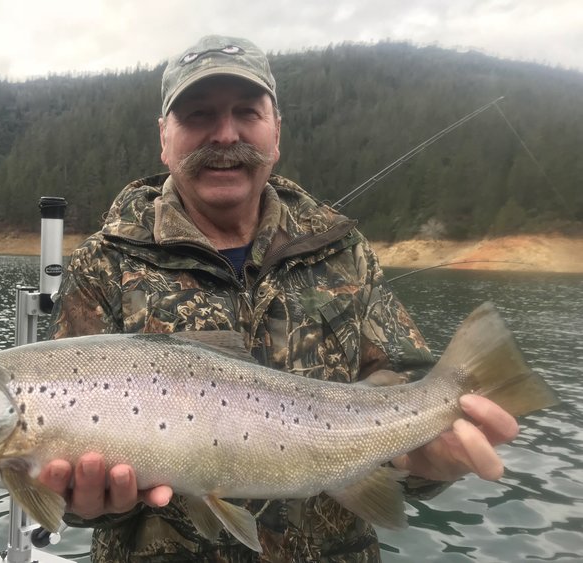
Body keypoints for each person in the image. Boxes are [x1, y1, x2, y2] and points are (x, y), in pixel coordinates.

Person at [39, 35, 519, 562]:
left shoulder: (344, 250)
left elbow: (406, 398)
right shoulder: (102, 264)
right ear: (164, 138)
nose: (225, 135)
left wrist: (433, 466)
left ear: (276, 132)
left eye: (246, 112)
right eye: (198, 115)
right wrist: (92, 503)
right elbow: (75, 486)